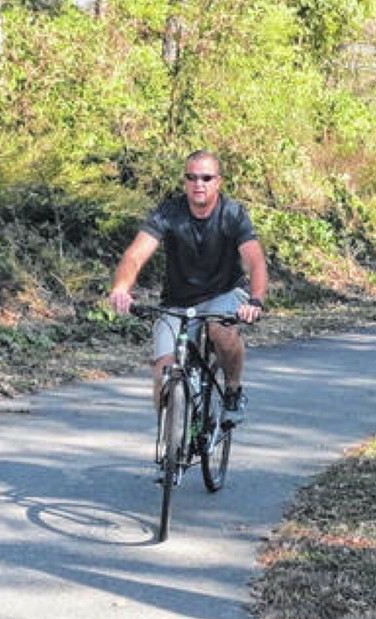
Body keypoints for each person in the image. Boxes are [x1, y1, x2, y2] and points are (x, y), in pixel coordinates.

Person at [109, 150, 267, 422]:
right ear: (184, 181)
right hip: (177, 302)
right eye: (192, 177)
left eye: (206, 178)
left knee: (221, 331)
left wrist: (255, 300)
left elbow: (255, 261)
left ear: (218, 181)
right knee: (163, 373)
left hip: (224, 292)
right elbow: (135, 255)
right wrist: (122, 287)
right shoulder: (169, 212)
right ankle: (171, 442)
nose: (199, 184)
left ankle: (232, 389)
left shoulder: (232, 213)